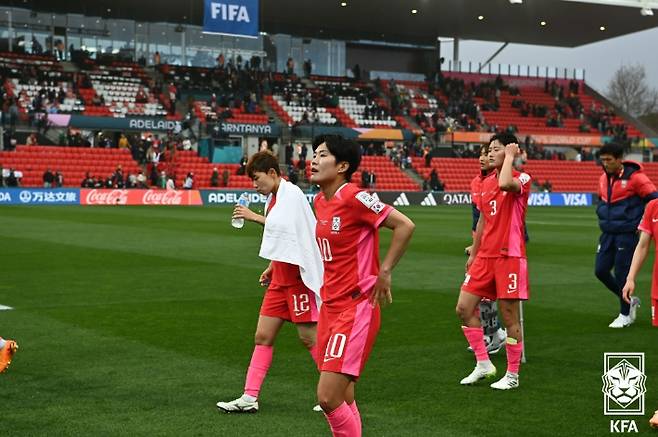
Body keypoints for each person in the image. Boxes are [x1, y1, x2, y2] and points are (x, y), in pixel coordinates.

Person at [310, 134, 415, 436]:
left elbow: (405, 225)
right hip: (329, 306)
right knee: (344, 395)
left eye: (322, 155)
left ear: (342, 165)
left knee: (327, 397)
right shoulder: (319, 201)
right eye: (313, 154)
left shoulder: (356, 198)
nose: (313, 160)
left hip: (356, 308)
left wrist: (385, 270)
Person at [217, 151, 323, 413]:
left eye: (257, 179)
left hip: (298, 279)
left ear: (273, 173)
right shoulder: (276, 197)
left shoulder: (292, 195)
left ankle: (337, 390)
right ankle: (249, 398)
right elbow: (285, 238)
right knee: (262, 336)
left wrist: (252, 217)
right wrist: (271, 266)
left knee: (309, 338)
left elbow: (292, 231)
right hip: (280, 278)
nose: (255, 185)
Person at [456, 133, 531, 390]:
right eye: (489, 150)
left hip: (509, 255)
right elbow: (482, 220)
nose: (489, 154)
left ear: (508, 152)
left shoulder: (521, 178)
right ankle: (483, 363)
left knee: (509, 317)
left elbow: (506, 184)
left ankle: (512, 375)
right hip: (485, 257)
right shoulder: (486, 183)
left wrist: (510, 156)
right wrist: (475, 253)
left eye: (495, 150)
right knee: (464, 308)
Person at [595, 143, 658, 328]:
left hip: (627, 233)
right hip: (607, 233)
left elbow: (654, 199)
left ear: (619, 159)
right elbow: (602, 201)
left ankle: (625, 314)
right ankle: (630, 300)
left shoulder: (637, 178)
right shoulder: (603, 179)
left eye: (609, 160)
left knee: (622, 273)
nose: (605, 164)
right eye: (603, 160)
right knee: (600, 270)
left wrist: (643, 224)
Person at [465, 143, 507, 355]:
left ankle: (494, 333)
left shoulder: (499, 182)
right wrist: (474, 245)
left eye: (486, 154)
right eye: (481, 154)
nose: (483, 158)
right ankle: (492, 332)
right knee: (477, 296)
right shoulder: (476, 182)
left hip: (493, 247)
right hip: (480, 244)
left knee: (484, 296)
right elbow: (478, 220)